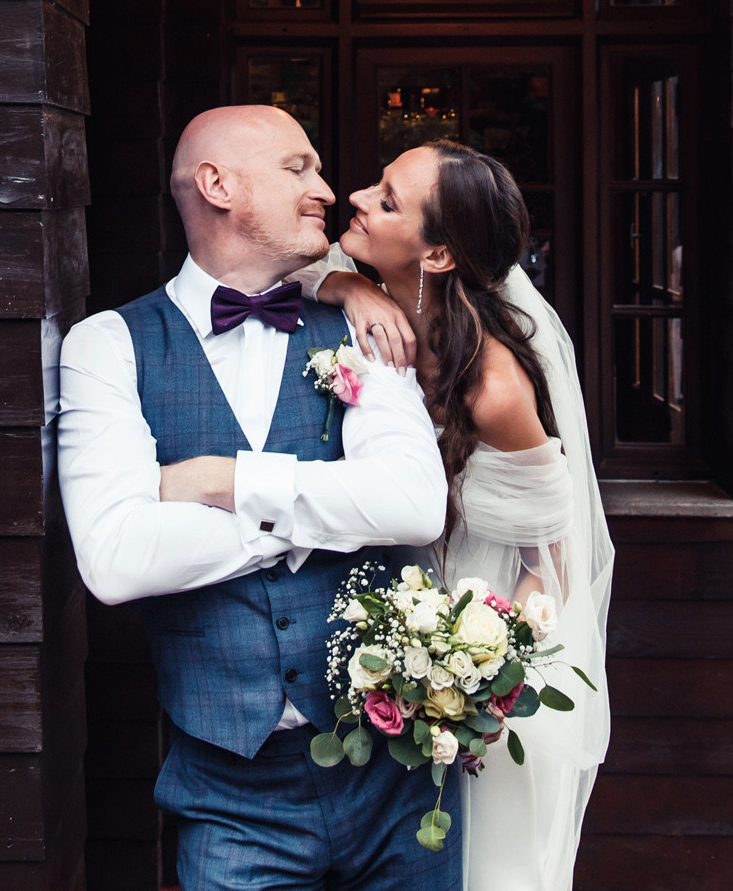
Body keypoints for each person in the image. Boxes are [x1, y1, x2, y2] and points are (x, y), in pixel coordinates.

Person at [58, 105, 457, 891]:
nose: (327, 190)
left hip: (399, 782)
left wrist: (220, 484)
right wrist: (324, 518)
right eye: (297, 168)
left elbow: (414, 504)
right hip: (229, 799)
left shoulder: (361, 328)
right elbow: (116, 560)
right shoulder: (107, 347)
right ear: (218, 185)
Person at [304, 140, 614, 891]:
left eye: (386, 200)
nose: (355, 198)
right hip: (376, 648)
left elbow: (550, 558)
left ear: (438, 254)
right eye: (376, 184)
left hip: (469, 664)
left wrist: (480, 673)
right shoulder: (359, 289)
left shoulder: (494, 389)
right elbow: (283, 270)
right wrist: (348, 288)